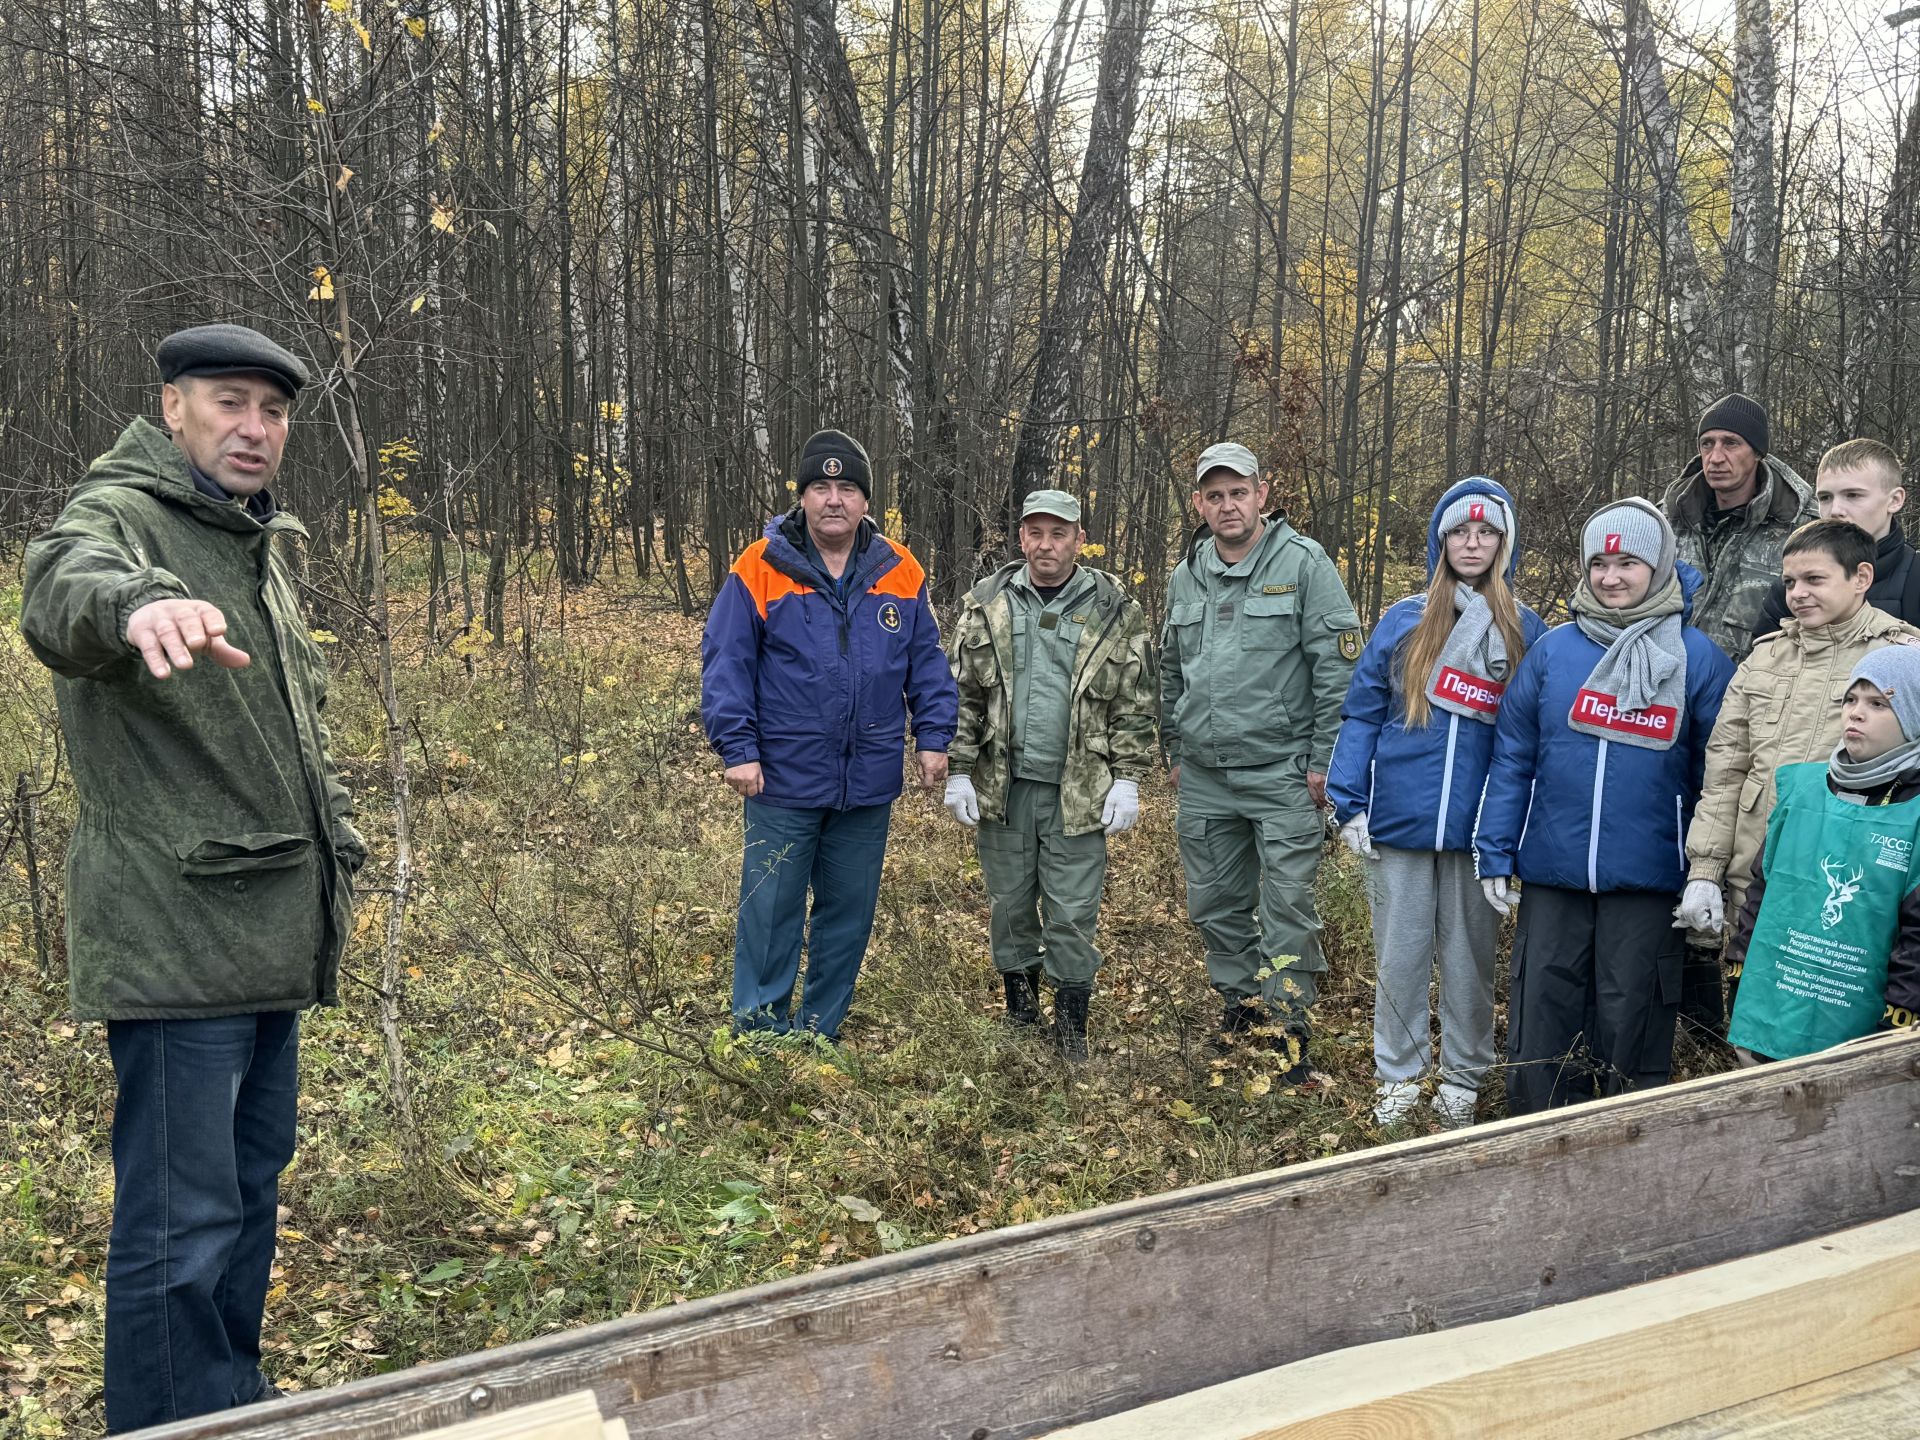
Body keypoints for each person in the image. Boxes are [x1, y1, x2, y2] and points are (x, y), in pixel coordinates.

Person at [20, 323, 364, 1431]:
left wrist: (337, 835)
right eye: (229, 404)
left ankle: (231, 1406)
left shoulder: (252, 536)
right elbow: (63, 587)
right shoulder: (122, 516)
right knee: (181, 1227)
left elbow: (287, 731)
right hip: (177, 944)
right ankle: (166, 1422)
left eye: (272, 412)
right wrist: (135, 605)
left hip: (263, 936)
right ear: (173, 408)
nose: (255, 430)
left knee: (248, 1199)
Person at [1475, 498, 1734, 1114]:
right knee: (1542, 1015)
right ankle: (1533, 1133)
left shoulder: (1697, 658)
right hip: (1553, 872)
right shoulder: (1553, 652)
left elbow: (1717, 778)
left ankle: (1627, 1138)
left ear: (1660, 565)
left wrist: (1708, 873)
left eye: (1627, 563)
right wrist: (1495, 850)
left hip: (1646, 879)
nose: (1611, 577)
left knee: (1633, 1016)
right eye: (1598, 564)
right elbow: (1513, 758)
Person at [701, 429, 957, 1041]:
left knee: (848, 913)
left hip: (866, 780)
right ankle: (760, 1035)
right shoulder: (759, 567)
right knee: (771, 910)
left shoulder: (901, 570)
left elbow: (927, 661)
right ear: (803, 497)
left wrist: (933, 736)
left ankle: (820, 1032)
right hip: (783, 777)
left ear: (866, 501)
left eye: (847, 488)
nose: (834, 499)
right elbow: (726, 662)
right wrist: (738, 748)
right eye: (821, 487)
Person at [1328, 479, 1548, 1128]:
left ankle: (1462, 1076)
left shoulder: (1525, 628)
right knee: (1399, 958)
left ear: (1504, 543)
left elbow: (1532, 737)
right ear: (1441, 541)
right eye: (1460, 532)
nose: (1472, 543)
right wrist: (1349, 802)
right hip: (1399, 821)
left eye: (1486, 532)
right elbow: (1363, 711)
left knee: (1469, 962)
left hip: (1478, 831)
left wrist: (1518, 830)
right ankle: (1397, 1074)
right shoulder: (1404, 619)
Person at [1161, 442, 1363, 1082]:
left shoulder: (1303, 565)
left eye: (1238, 492)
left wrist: (1324, 760)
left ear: (1262, 495)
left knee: (1287, 908)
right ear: (1200, 502)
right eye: (1214, 495)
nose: (1227, 505)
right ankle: (1242, 1009)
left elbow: (1339, 670)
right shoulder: (1185, 575)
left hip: (1282, 772)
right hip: (1205, 777)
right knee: (1215, 902)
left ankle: (1288, 1028)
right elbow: (1169, 669)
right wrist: (1172, 746)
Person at [941, 490, 1156, 1059]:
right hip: (1002, 785)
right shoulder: (985, 602)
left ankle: (1070, 1026)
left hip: (1079, 791)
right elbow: (961, 693)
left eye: (1058, 533)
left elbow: (1134, 704)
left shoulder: (1114, 607)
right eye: (1035, 532)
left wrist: (1129, 777)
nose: (1046, 544)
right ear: (1021, 538)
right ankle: (1020, 1012)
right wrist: (958, 768)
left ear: (1078, 539)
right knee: (1009, 904)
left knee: (1071, 909)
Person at [1677, 520, 1918, 967]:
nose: (1798, 593)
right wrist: (1705, 871)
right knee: (1752, 1016)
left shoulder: (1899, 658)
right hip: (1753, 881)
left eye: (1814, 579)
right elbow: (1726, 773)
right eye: (1789, 581)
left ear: (1861, 578)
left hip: (1849, 887)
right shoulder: (1764, 658)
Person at [1724, 649, 1920, 1061]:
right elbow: (1761, 888)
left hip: (1862, 1035)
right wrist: (1739, 964)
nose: (1856, 713)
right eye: (1851, 699)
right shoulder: (1803, 789)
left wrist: (1901, 1014)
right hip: (1771, 1014)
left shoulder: (1914, 813)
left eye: (1878, 703)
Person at [1661, 391, 1815, 663]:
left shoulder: (1803, 527)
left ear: (1757, 452)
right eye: (1707, 444)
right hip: (1662, 686)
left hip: (1751, 693)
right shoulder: (1668, 518)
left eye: (1731, 443)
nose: (1716, 457)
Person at [1754, 441, 1917, 636]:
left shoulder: (1914, 577)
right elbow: (1761, 661)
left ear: (1895, 500)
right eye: (1825, 498)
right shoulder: (1793, 585)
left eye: (1853, 495)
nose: (1835, 511)